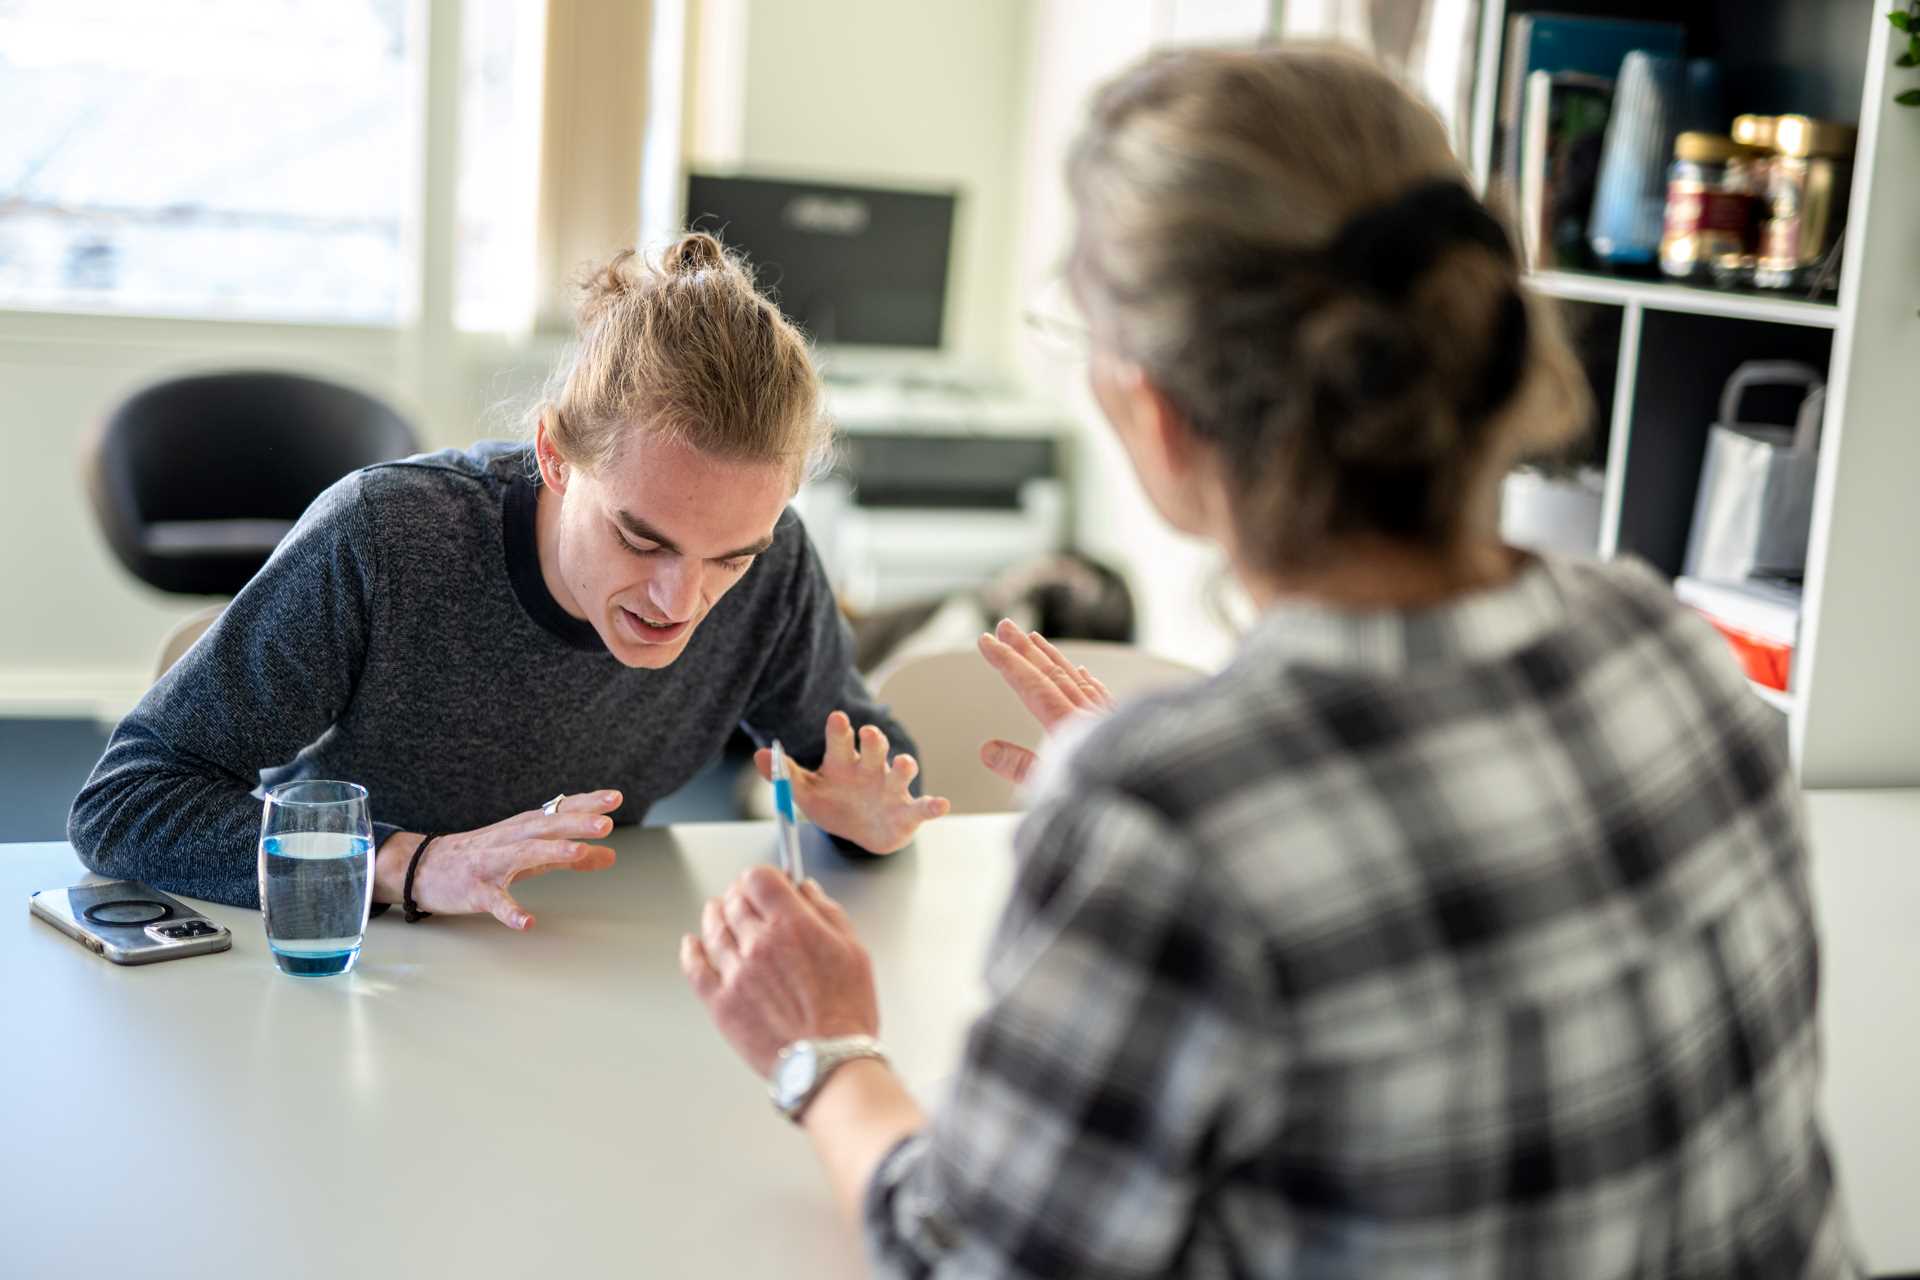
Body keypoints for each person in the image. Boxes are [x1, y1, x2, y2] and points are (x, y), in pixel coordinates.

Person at [681, 44, 1855, 1277]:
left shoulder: (1173, 812)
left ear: (1160, 413)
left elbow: (969, 1252)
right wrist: (1152, 800)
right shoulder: (1674, 649)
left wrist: (824, 1048)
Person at [69, 233, 950, 929]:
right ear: (555, 455)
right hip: (357, 958)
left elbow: (865, 764)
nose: (680, 603)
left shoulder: (775, 560)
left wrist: (871, 821)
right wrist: (410, 864)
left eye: (730, 557)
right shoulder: (388, 538)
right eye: (642, 539)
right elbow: (127, 803)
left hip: (573, 953)